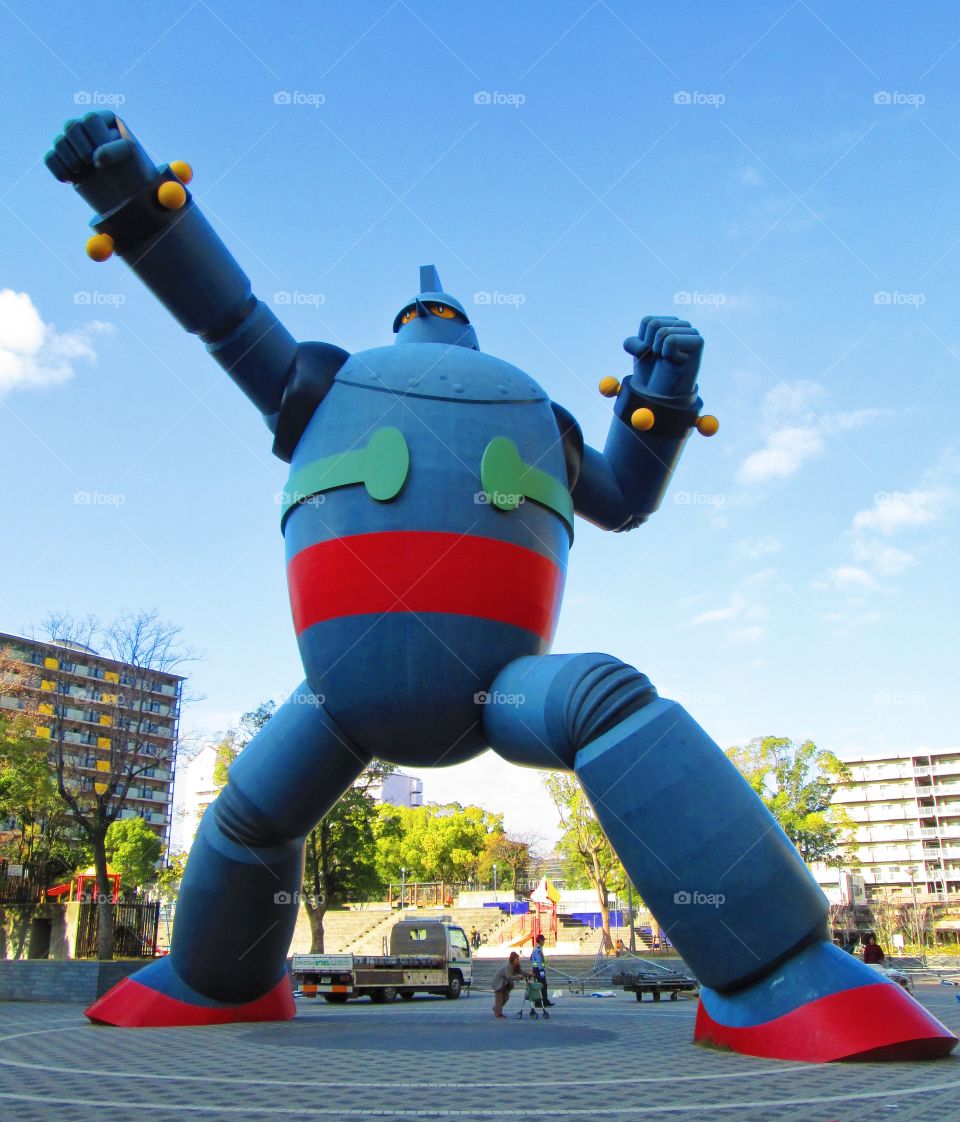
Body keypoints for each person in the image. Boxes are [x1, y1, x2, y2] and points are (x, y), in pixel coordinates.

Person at [491, 952, 527, 1018]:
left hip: (504, 984)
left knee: (506, 997)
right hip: (498, 984)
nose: (518, 960)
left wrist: (528, 975)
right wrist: (518, 977)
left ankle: (496, 1009)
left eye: (518, 959)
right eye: (517, 959)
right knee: (499, 999)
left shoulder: (515, 966)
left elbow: (520, 971)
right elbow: (509, 977)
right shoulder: (509, 966)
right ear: (513, 959)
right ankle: (498, 1014)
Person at [530, 934, 555, 1007]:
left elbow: (531, 958)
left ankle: (544, 1001)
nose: (544, 942)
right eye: (543, 940)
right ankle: (541, 1002)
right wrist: (541, 970)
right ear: (540, 941)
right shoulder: (538, 949)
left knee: (543, 985)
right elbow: (538, 961)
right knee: (541, 985)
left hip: (537, 969)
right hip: (538, 970)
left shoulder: (537, 948)